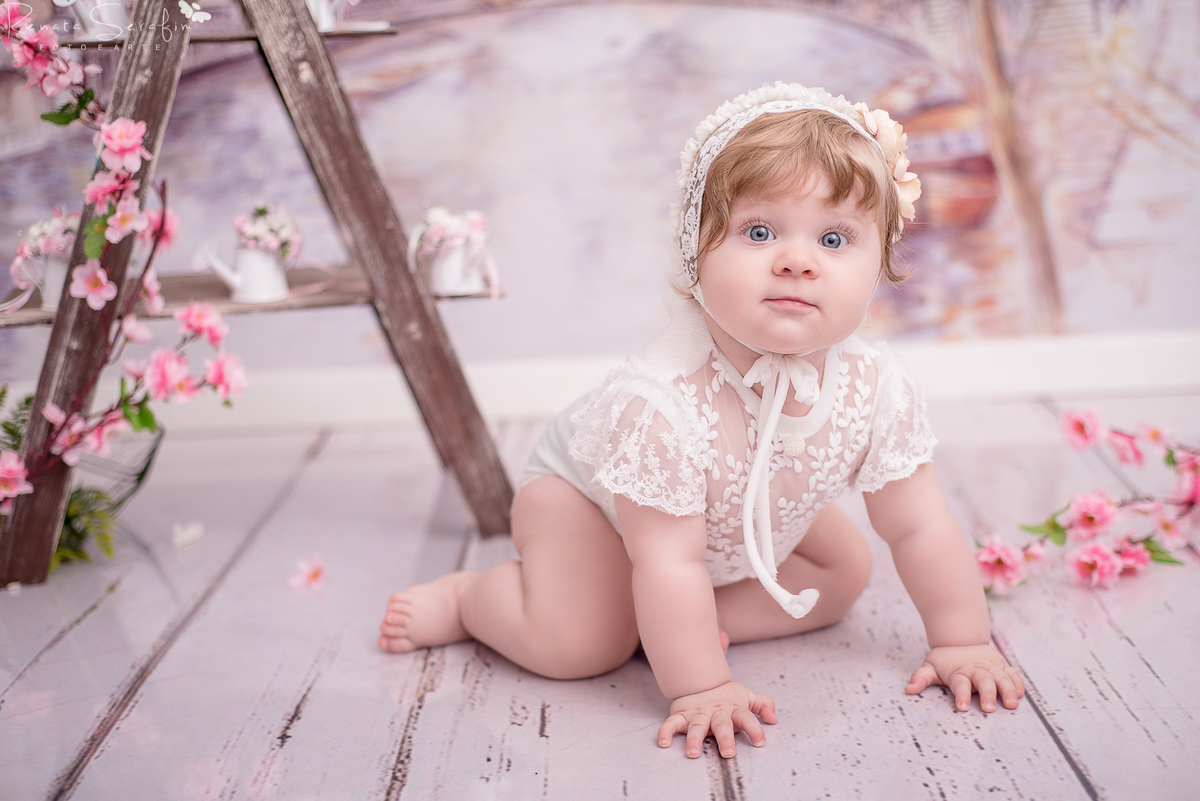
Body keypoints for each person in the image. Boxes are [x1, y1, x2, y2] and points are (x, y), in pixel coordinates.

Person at [378, 83, 1025, 759]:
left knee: (840, 575)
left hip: (733, 515)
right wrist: (701, 685)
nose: (797, 259)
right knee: (581, 645)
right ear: (695, 251)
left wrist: (962, 640)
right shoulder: (664, 402)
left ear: (882, 263)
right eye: (759, 231)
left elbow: (920, 523)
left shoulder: (873, 385)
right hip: (589, 502)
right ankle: (473, 599)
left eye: (835, 238)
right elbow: (668, 558)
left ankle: (668, 623)